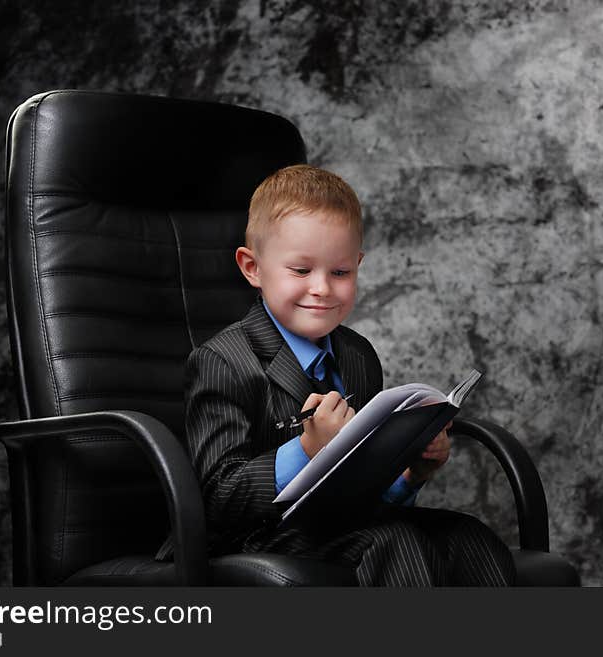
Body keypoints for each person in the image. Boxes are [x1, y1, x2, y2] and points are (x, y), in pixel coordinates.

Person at [181, 164, 516, 586]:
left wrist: (412, 473)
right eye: (301, 271)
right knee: (394, 543)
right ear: (253, 268)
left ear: (357, 265)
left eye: (340, 272)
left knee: (469, 536)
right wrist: (305, 450)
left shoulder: (358, 356)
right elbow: (217, 495)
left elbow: (363, 486)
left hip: (336, 525)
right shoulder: (224, 361)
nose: (322, 288)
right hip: (250, 536)